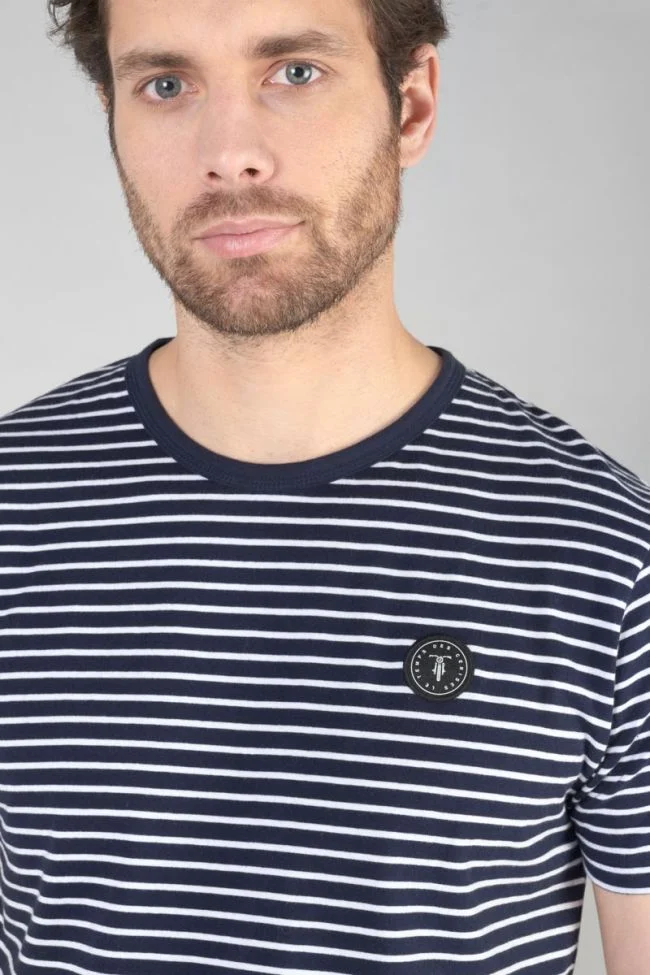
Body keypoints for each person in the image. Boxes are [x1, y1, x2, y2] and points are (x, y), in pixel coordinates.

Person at [0, 0, 648, 972]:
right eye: (167, 85)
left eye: (294, 72)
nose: (230, 155)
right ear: (112, 121)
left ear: (410, 105)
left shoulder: (605, 552)